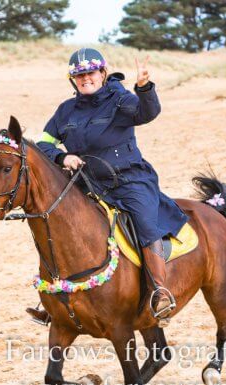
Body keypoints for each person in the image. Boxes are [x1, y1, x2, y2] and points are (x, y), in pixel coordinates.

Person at [28, 47, 188, 325]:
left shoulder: (120, 99)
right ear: (72, 80)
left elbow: (146, 113)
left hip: (129, 180)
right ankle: (55, 298)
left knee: (144, 224)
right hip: (86, 183)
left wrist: (144, 88)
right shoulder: (65, 111)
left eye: (90, 72)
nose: (85, 78)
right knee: (58, 223)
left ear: (102, 73)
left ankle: (160, 290)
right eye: (79, 75)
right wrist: (62, 156)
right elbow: (43, 143)